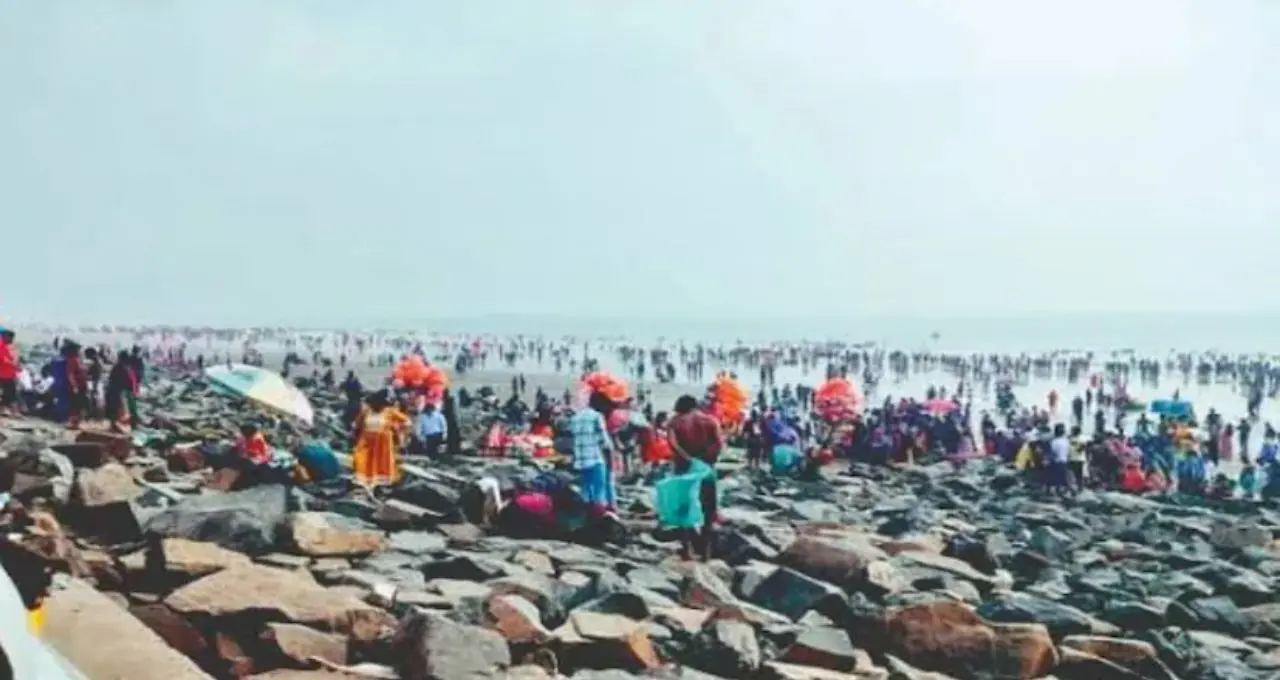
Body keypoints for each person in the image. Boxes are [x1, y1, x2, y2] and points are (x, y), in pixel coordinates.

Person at [668, 394, 724, 560]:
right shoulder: (710, 420)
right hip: (706, 468)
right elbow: (719, 443)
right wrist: (705, 460)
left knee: (684, 507)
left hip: (683, 469)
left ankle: (688, 550)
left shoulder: (675, 422)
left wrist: (687, 458)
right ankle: (706, 552)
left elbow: (672, 443)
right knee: (708, 509)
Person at [568, 392, 616, 514]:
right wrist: (611, 457)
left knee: (586, 490)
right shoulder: (597, 416)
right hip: (595, 459)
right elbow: (605, 442)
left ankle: (586, 515)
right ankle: (599, 515)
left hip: (580, 461)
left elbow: (572, 438)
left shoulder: (576, 417)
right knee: (599, 491)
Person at [351, 389, 411, 487]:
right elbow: (356, 424)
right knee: (364, 463)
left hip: (382, 444)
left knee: (381, 465)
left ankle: (379, 487)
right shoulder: (366, 411)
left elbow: (407, 422)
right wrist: (355, 433)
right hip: (367, 442)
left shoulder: (390, 412)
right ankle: (366, 485)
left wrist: (394, 427)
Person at [0, 330, 18, 417]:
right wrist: (13, 364)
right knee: (9, 392)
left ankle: (8, 410)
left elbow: (15, 358)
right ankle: (10, 410)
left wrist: (16, 365)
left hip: (10, 374)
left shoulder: (12, 347)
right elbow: (3, 359)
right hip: (4, 373)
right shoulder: (2, 346)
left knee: (10, 392)